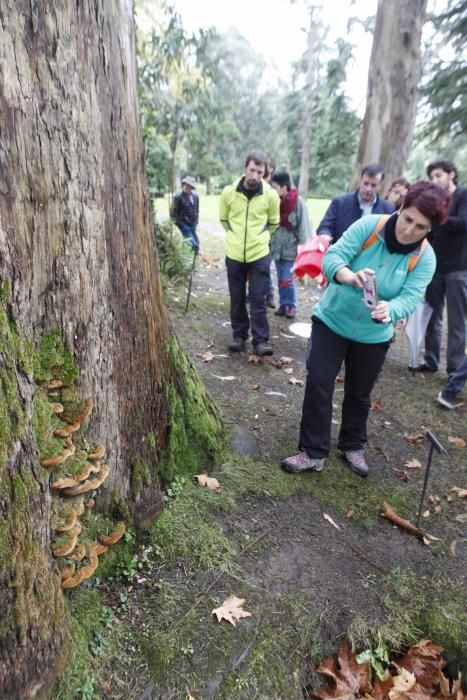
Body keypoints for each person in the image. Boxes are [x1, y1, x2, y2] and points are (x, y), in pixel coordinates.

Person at [281, 181, 450, 477]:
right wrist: (348, 276)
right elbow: (332, 257)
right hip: (332, 321)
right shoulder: (371, 227)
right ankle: (313, 451)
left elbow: (411, 296)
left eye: (420, 226)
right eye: (408, 218)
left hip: (374, 335)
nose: (409, 229)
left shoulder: (425, 258)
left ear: (430, 229)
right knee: (319, 382)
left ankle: (352, 445)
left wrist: (392, 309)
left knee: (359, 393)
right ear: (400, 207)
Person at [220, 151, 280, 356]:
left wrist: (258, 239)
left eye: (260, 172)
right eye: (252, 170)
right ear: (245, 168)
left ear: (265, 173)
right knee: (237, 297)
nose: (255, 176)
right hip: (234, 254)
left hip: (259, 255)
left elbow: (273, 223)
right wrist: (236, 237)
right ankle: (239, 336)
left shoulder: (271, 195)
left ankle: (260, 341)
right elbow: (224, 220)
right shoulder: (229, 192)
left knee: (258, 298)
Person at [415, 160, 467, 375]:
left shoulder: (463, 195)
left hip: (459, 267)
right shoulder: (437, 200)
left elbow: (464, 223)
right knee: (431, 316)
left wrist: (439, 218)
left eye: (438, 175)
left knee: (456, 322)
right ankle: (431, 360)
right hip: (435, 266)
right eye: (432, 176)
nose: (435, 180)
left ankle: (454, 368)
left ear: (451, 174)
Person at [317, 163, 395, 243]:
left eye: (373, 185)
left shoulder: (388, 209)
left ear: (380, 185)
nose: (368, 189)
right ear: (360, 181)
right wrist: (325, 236)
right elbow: (325, 226)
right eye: (366, 183)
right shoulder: (340, 202)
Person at [270, 170, 312, 318]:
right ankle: (283, 304)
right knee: (281, 277)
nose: (273, 190)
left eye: (275, 187)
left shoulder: (298, 202)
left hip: (291, 249)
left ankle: (291, 305)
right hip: (277, 248)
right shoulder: (275, 200)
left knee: (287, 278)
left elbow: (303, 228)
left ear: (283, 186)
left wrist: (303, 251)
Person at [170, 175, 199, 251]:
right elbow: (173, 214)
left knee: (197, 242)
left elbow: (197, 210)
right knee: (192, 244)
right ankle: (192, 260)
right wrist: (182, 225)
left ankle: (194, 259)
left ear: (192, 187)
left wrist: (196, 222)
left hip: (193, 224)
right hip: (184, 224)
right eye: (185, 184)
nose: (186, 187)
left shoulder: (195, 196)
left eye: (189, 185)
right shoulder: (178, 197)